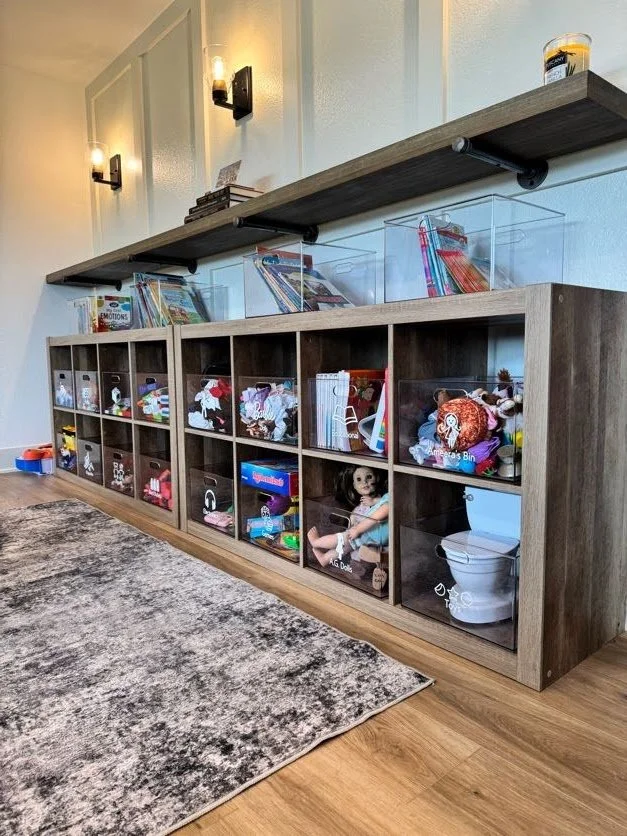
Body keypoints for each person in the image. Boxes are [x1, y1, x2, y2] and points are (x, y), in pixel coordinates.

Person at [307, 465, 389, 567]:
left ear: (377, 478)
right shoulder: (386, 498)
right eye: (359, 479)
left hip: (366, 533)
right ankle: (325, 559)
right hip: (367, 536)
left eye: (369, 477)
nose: (365, 482)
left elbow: (376, 517)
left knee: (339, 539)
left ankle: (316, 542)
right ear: (354, 485)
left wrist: (357, 529)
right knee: (344, 548)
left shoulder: (388, 500)